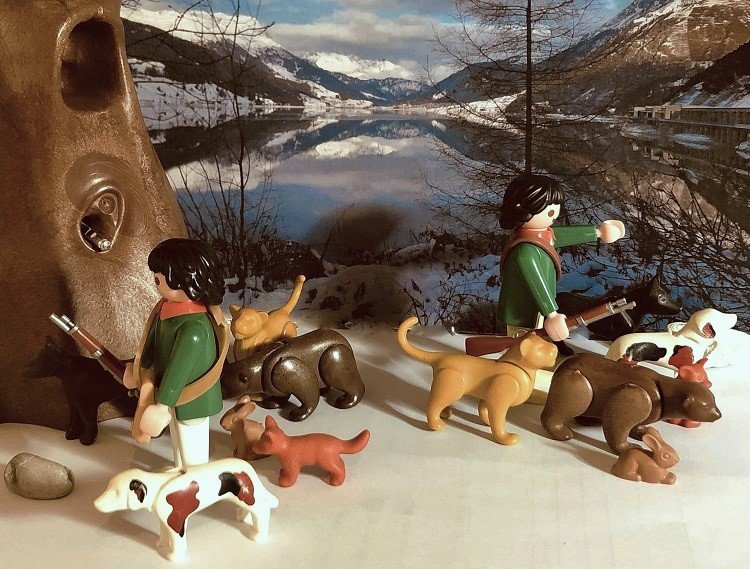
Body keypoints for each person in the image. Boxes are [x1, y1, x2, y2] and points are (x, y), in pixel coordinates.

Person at [124, 238, 229, 469]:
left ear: (187, 281)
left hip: (192, 397)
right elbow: (151, 343)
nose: (156, 282)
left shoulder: (194, 328)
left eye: (161, 278)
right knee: (178, 441)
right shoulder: (165, 310)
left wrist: (162, 404)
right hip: (168, 394)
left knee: (191, 444)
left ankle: (194, 476)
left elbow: (179, 370)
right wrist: (140, 370)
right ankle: (181, 471)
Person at [497, 174, 625, 342]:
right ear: (525, 210)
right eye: (550, 209)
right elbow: (537, 283)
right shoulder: (525, 251)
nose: (555, 213)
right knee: (522, 345)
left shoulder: (541, 237)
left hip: (535, 310)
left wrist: (597, 232)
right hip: (523, 312)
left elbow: (564, 235)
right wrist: (551, 313)